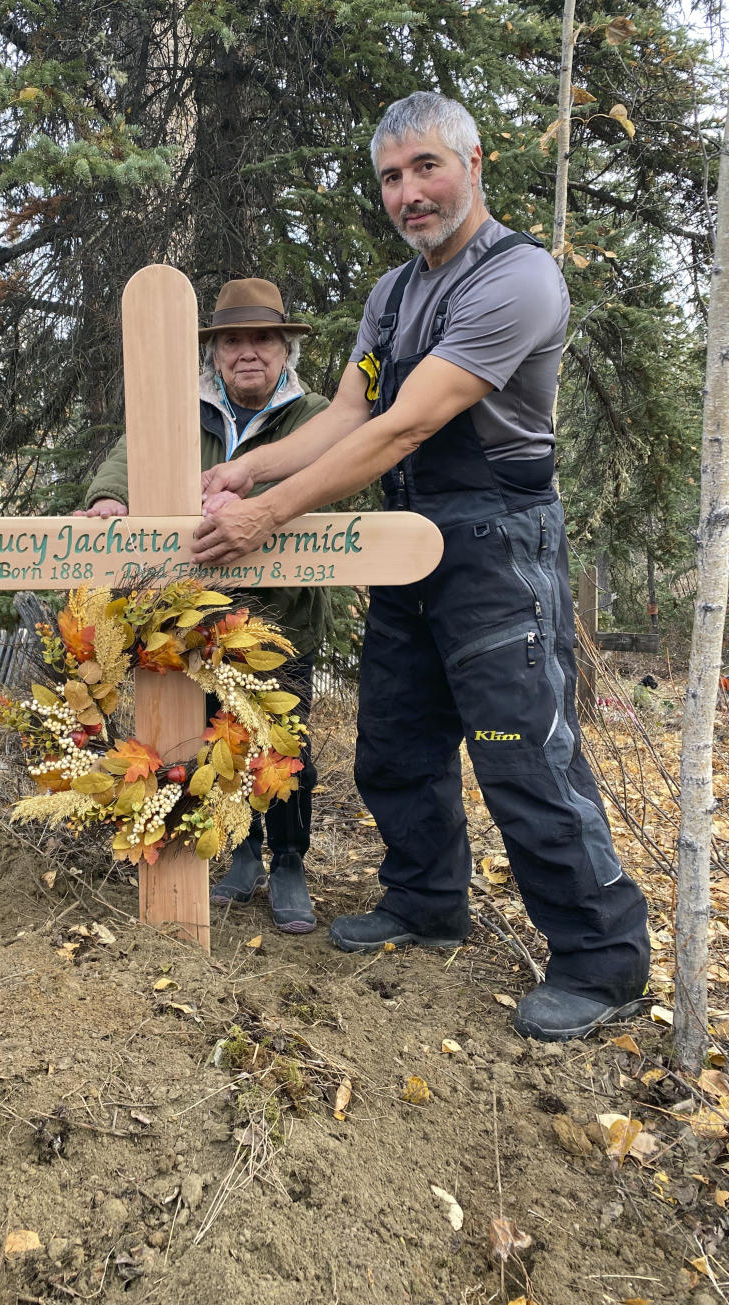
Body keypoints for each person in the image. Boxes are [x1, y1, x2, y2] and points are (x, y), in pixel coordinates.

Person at [192, 93, 650, 1041]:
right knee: (396, 739)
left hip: (497, 542)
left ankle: (602, 960)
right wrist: (240, 468)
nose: (409, 192)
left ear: (472, 164)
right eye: (393, 178)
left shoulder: (517, 279)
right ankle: (427, 899)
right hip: (406, 540)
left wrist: (269, 513)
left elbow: (413, 419)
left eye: (425, 168)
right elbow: (350, 416)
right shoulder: (392, 299)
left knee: (526, 755)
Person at [77, 277, 330, 934]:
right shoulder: (182, 409)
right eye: (234, 341)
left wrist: (258, 501)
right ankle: (241, 853)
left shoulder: (316, 414)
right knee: (216, 738)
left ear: (284, 350)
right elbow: (132, 457)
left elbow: (331, 477)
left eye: (263, 339)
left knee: (283, 743)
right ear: (215, 353)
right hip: (198, 616)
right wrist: (109, 499)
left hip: (282, 617)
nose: (248, 352)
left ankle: (290, 864)